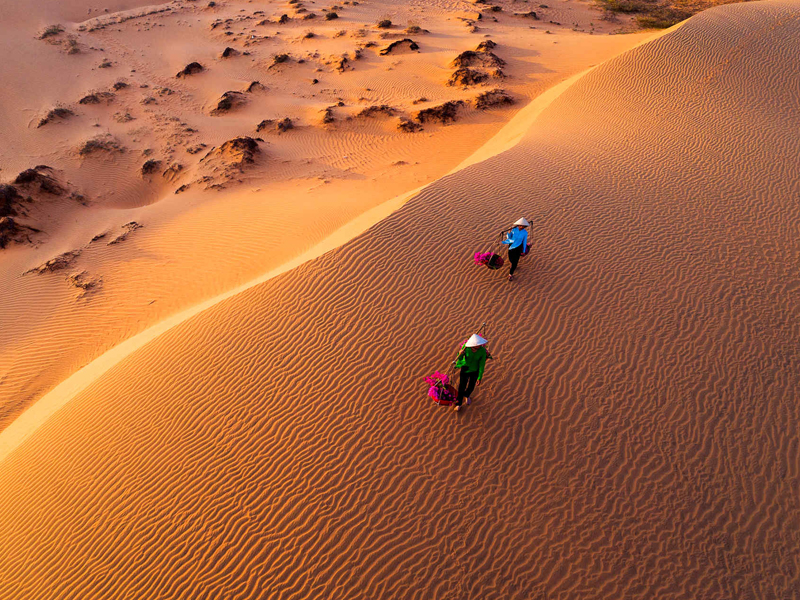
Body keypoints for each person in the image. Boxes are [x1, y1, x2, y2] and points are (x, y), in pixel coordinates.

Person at [453, 334, 489, 412]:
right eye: (478, 345)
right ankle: (458, 403)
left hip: (475, 371)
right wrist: (460, 353)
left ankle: (467, 395)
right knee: (461, 387)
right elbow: (459, 358)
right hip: (465, 369)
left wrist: (479, 377)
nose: (480, 346)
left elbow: (482, 364)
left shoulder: (482, 351)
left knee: (471, 386)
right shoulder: (466, 347)